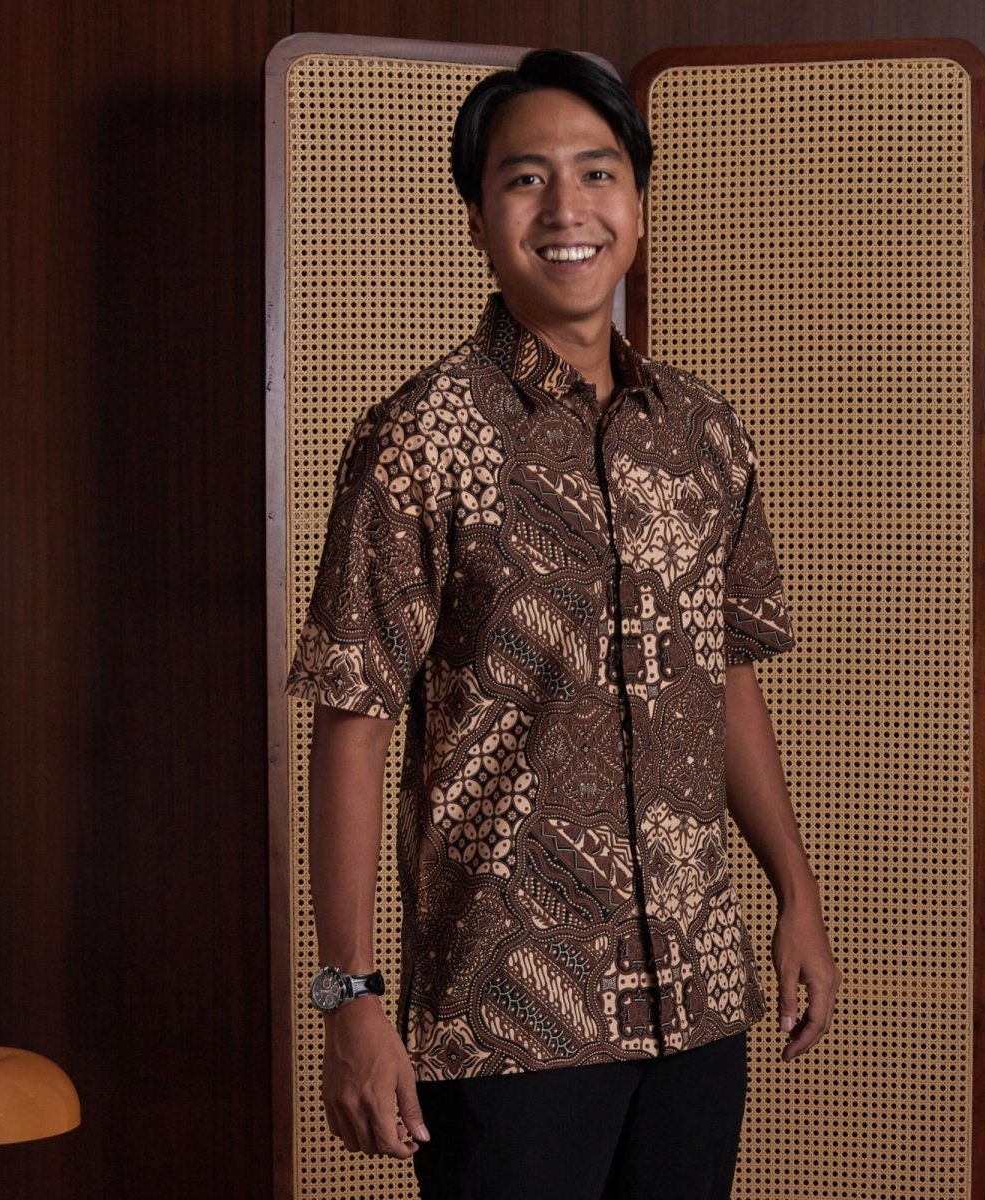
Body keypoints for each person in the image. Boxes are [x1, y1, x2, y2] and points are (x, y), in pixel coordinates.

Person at [286, 48, 839, 1200]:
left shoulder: (703, 434)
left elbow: (727, 679)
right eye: (525, 178)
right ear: (478, 220)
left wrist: (795, 893)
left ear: (637, 204)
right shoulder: (418, 440)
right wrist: (349, 999)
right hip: (509, 1013)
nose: (566, 207)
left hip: (697, 993)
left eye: (597, 172)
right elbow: (353, 724)